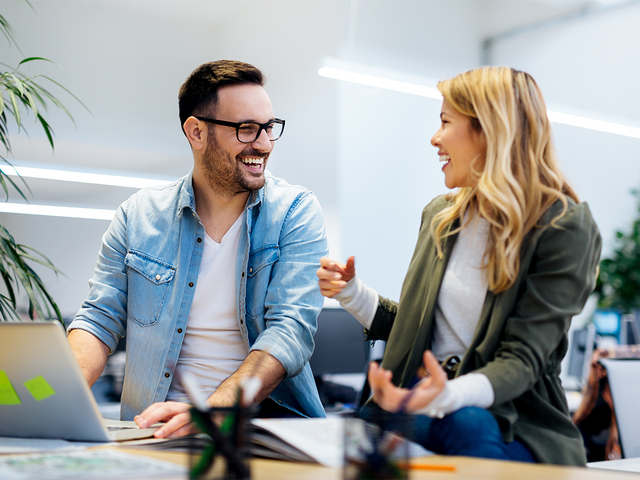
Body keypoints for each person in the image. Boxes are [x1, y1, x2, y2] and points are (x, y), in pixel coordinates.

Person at [317, 66, 601, 465]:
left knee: (468, 423)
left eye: (446, 122)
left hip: (511, 420)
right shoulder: (441, 216)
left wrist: (445, 395)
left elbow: (522, 361)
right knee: (355, 434)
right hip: (421, 406)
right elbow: (416, 329)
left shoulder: (562, 226)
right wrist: (350, 293)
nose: (435, 138)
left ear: (488, 129)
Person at [68, 60, 328, 438]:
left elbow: (290, 331)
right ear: (196, 132)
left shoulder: (296, 212)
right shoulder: (138, 216)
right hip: (153, 430)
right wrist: (58, 398)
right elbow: (98, 320)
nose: (265, 144)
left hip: (260, 430)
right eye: (247, 129)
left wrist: (211, 410)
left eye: (269, 128)